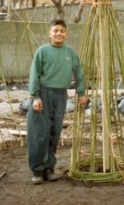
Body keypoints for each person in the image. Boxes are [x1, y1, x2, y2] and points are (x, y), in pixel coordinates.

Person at [27, 19, 87, 184]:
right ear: (50, 33)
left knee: (55, 131)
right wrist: (35, 96)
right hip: (44, 94)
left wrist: (81, 93)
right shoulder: (43, 51)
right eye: (55, 30)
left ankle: (49, 168)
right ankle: (37, 170)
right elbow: (34, 73)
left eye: (62, 31)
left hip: (61, 95)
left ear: (66, 34)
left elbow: (79, 73)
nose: (59, 33)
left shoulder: (70, 53)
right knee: (40, 132)